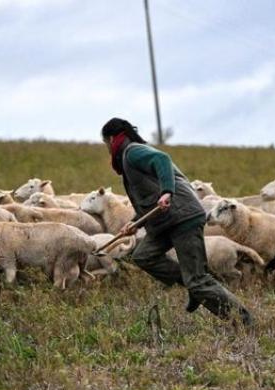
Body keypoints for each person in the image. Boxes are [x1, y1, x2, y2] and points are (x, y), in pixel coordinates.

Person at [101, 117, 253, 327]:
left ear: (111, 139)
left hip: (183, 217)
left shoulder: (133, 151)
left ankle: (243, 320)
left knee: (198, 280)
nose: (107, 149)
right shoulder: (130, 157)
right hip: (165, 219)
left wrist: (167, 192)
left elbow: (162, 159)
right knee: (143, 256)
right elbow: (150, 197)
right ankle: (192, 286)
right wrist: (135, 222)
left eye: (105, 144)